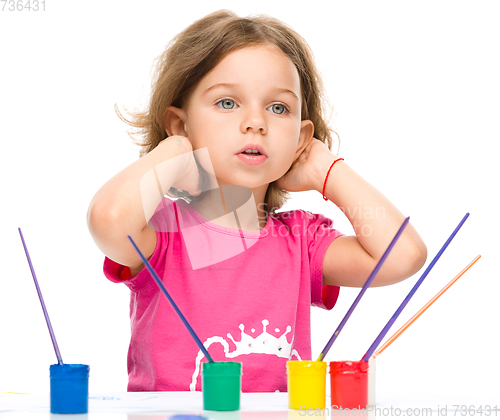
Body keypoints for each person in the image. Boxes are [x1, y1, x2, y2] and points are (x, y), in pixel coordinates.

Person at [87, 9, 427, 393]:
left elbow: (403, 256)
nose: (256, 122)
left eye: (278, 107)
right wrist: (175, 151)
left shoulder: (302, 242)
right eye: (227, 103)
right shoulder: (161, 235)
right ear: (181, 124)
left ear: (301, 138)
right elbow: (109, 218)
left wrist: (326, 169)